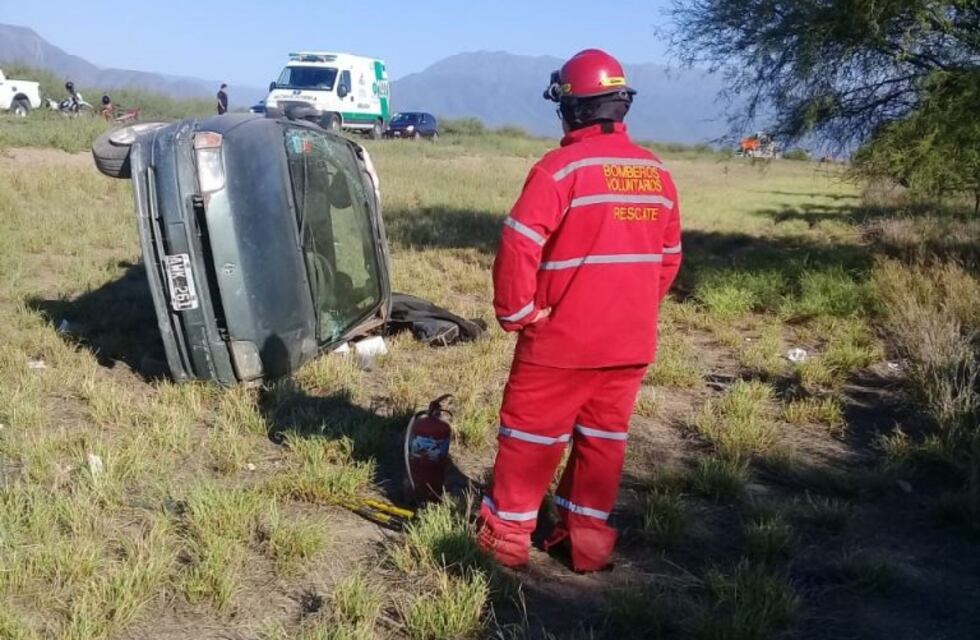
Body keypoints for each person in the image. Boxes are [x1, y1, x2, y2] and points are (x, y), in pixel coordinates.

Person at [477, 49, 683, 573]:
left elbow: (520, 243)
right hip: (629, 346)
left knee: (530, 439)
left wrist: (518, 312)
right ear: (619, 107)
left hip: (561, 345)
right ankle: (585, 544)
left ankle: (505, 543)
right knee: (602, 445)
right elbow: (669, 258)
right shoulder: (656, 174)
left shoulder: (560, 169)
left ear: (571, 108)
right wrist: (633, 309)